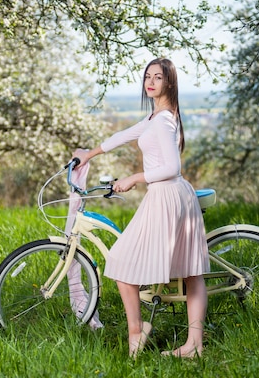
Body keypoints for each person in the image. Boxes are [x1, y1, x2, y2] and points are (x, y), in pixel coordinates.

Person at [73, 58, 209, 359]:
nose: (150, 81)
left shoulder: (162, 120)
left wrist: (136, 178)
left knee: (122, 260)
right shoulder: (157, 116)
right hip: (171, 195)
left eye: (158, 77)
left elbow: (172, 167)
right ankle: (193, 345)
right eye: (148, 76)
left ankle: (139, 331)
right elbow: (123, 136)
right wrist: (89, 154)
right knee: (191, 272)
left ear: (169, 83)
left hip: (167, 196)